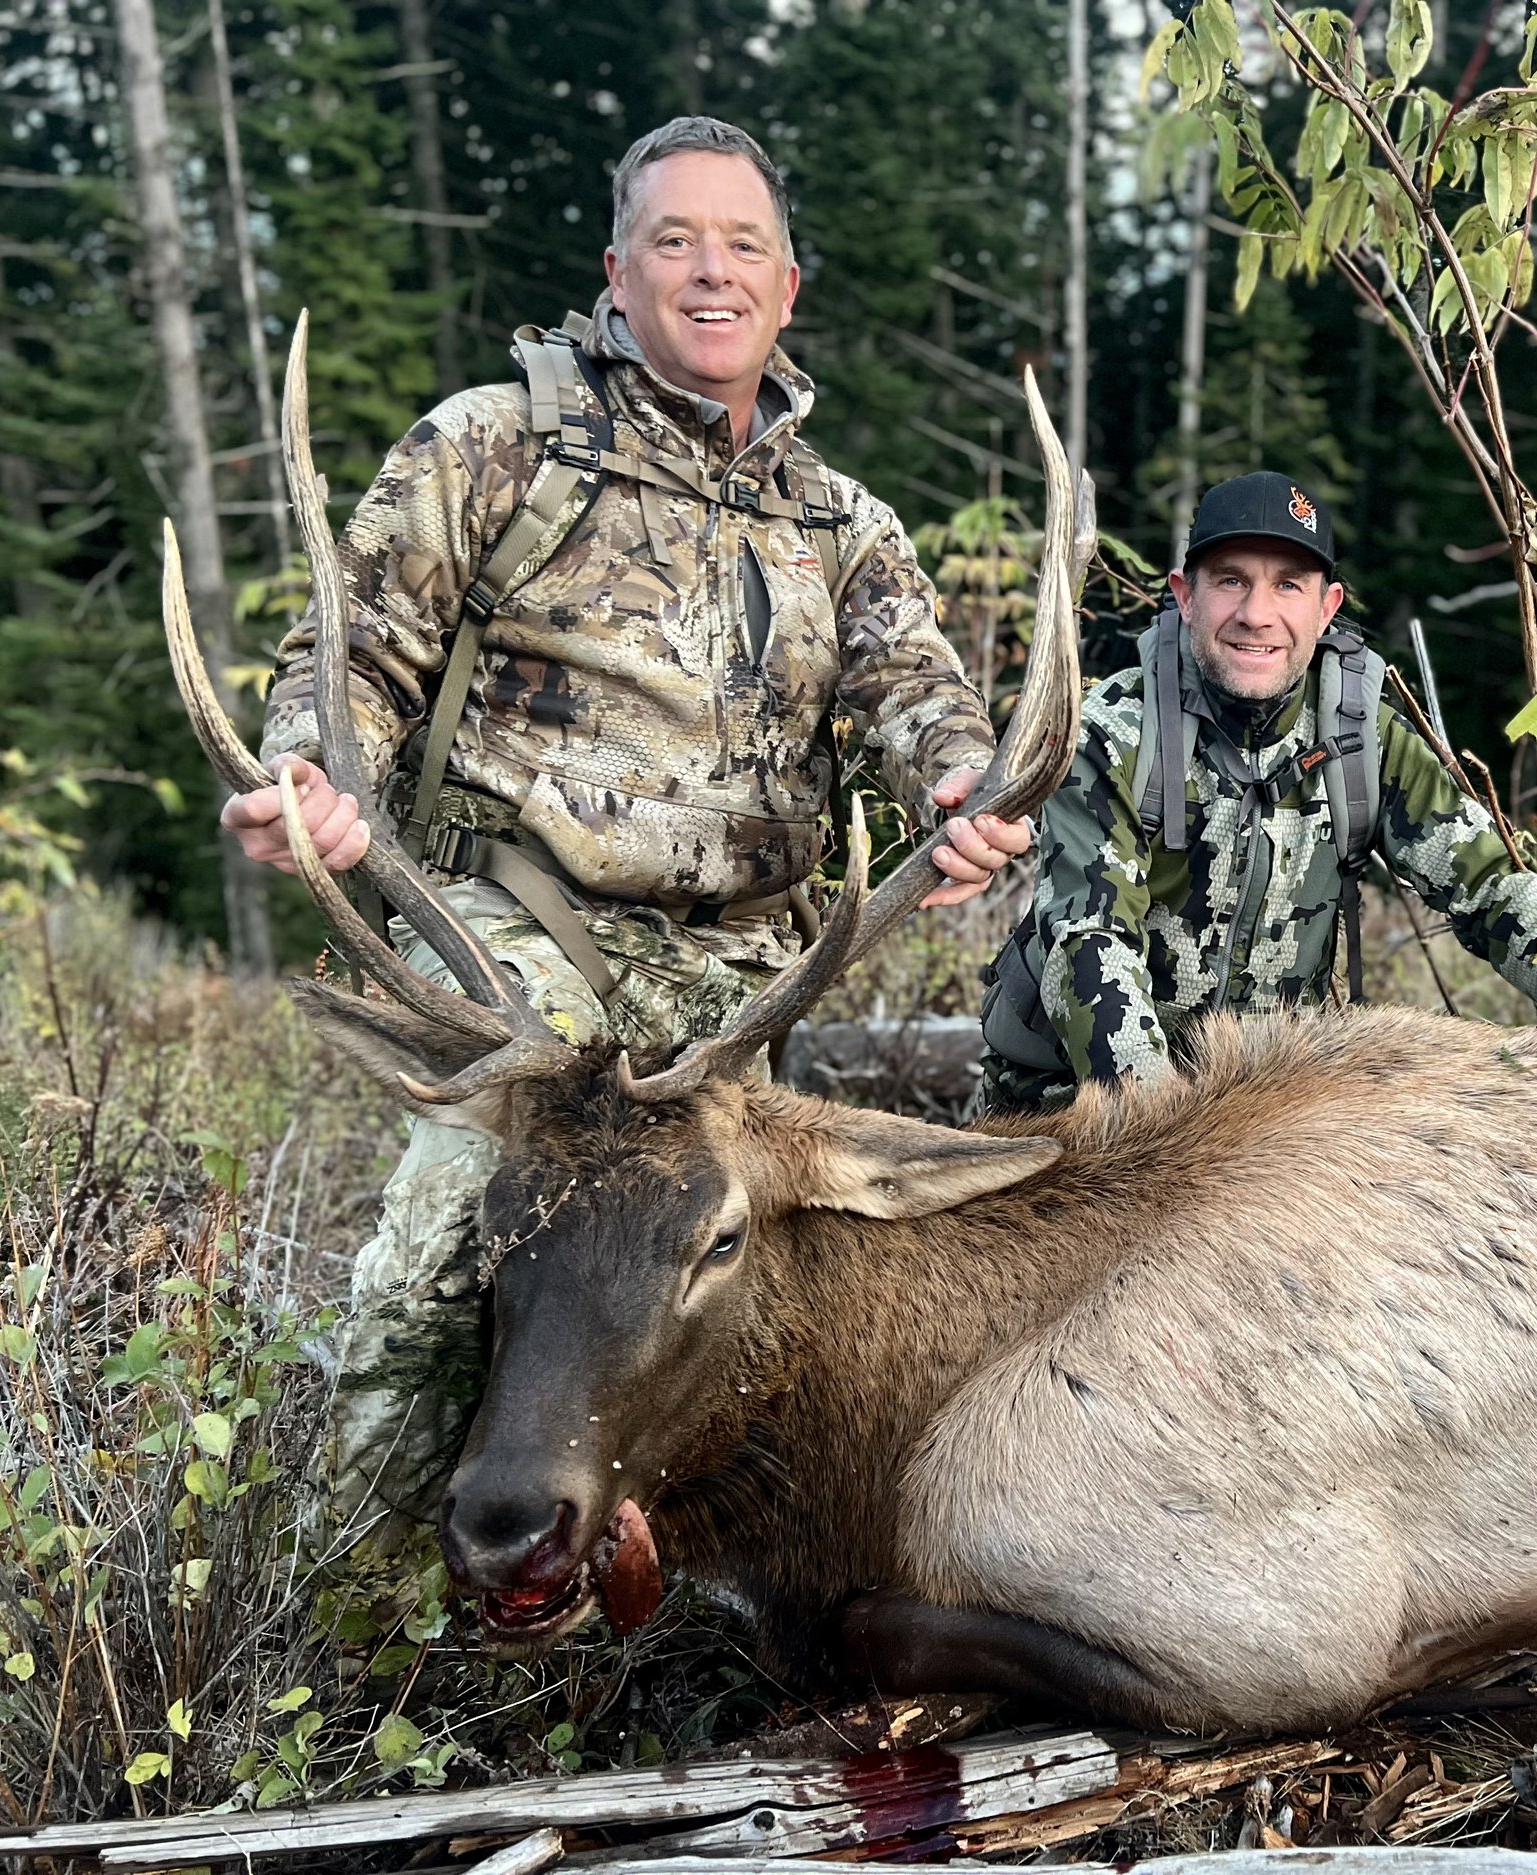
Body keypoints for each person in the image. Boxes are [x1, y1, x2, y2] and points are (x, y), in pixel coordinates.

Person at [220, 116, 1029, 1533]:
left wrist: (962, 788)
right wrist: (308, 773)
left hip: (740, 975)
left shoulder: (842, 524)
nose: (713, 271)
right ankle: (355, 1598)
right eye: (676, 240)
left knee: (756, 1308)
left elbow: (920, 695)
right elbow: (353, 656)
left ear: (787, 287)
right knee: (456, 1244)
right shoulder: (491, 446)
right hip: (526, 934)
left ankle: (672, 1595)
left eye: (744, 245)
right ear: (617, 270)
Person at [980, 472, 1537, 1111]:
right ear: (1185, 594)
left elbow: (1495, 890)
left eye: (1288, 585)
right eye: (1231, 581)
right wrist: (1162, 1131)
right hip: (1069, 1106)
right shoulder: (1109, 733)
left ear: (1327, 608)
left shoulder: (1359, 737)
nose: (1256, 614)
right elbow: (1091, 941)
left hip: (1260, 1109)